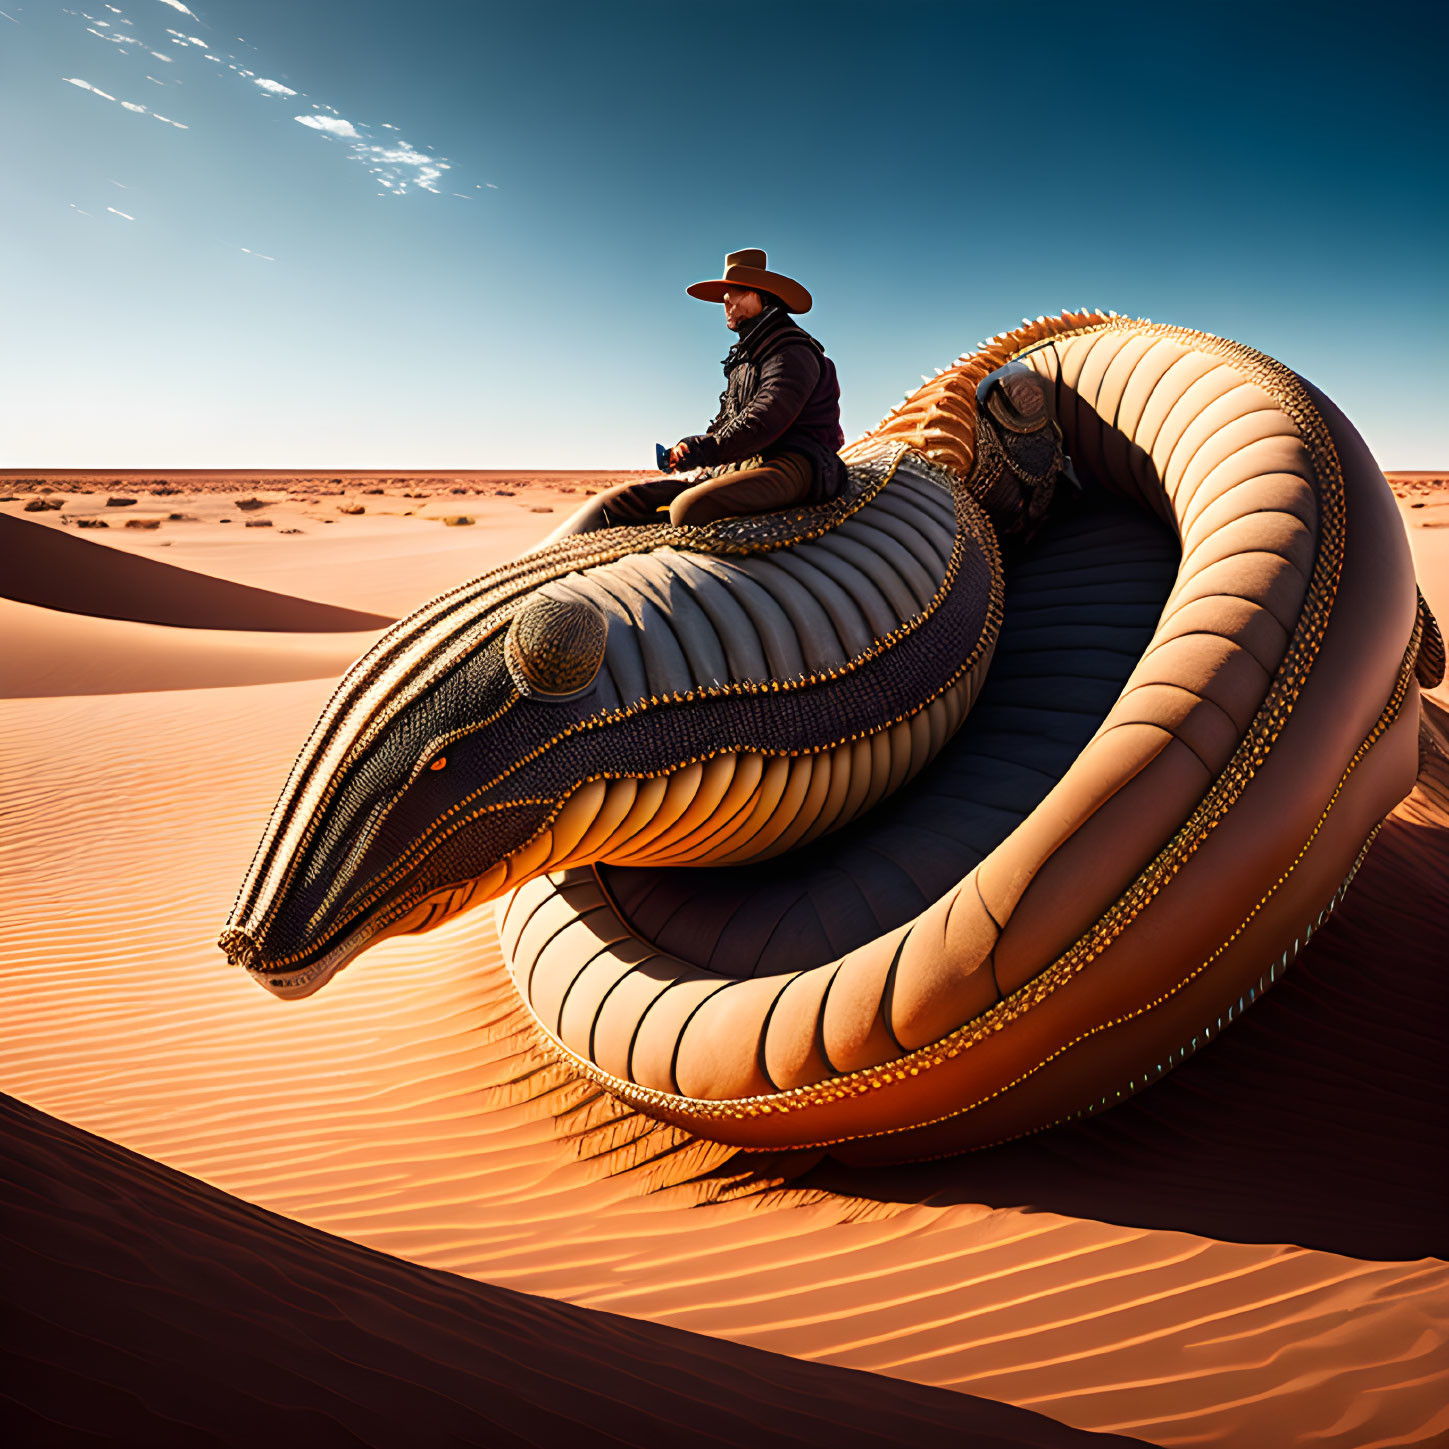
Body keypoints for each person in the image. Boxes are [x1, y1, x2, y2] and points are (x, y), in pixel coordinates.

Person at [557, 249, 846, 533]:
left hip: (796, 463)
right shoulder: (747, 356)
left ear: (764, 296)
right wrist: (697, 457)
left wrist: (698, 450)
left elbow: (763, 422)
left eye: (738, 292)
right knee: (616, 503)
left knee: (688, 508)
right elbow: (732, 421)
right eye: (725, 296)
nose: (728, 302)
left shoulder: (791, 351)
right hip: (743, 461)